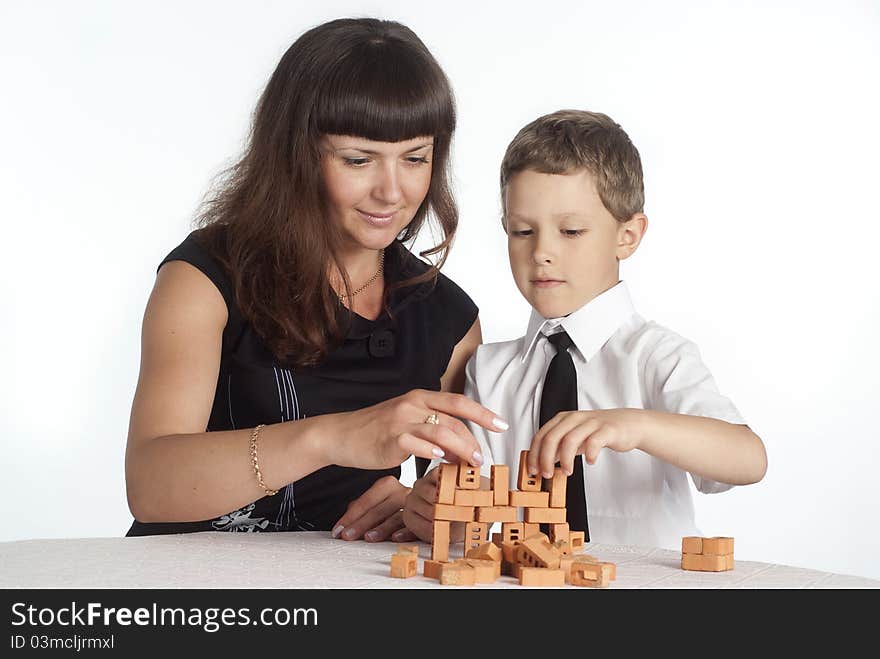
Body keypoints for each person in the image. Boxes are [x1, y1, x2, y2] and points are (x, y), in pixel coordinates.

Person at [124, 18, 508, 541]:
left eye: (415, 158)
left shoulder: (449, 318)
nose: (391, 192)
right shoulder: (205, 278)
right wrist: (333, 438)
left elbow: (452, 491)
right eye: (358, 159)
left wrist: (419, 506)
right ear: (295, 154)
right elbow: (149, 484)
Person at [402, 109, 768, 550]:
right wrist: (440, 506)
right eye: (522, 231)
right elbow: (473, 502)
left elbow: (749, 459)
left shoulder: (656, 357)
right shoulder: (490, 369)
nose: (542, 252)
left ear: (627, 235)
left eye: (571, 231)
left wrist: (634, 425)